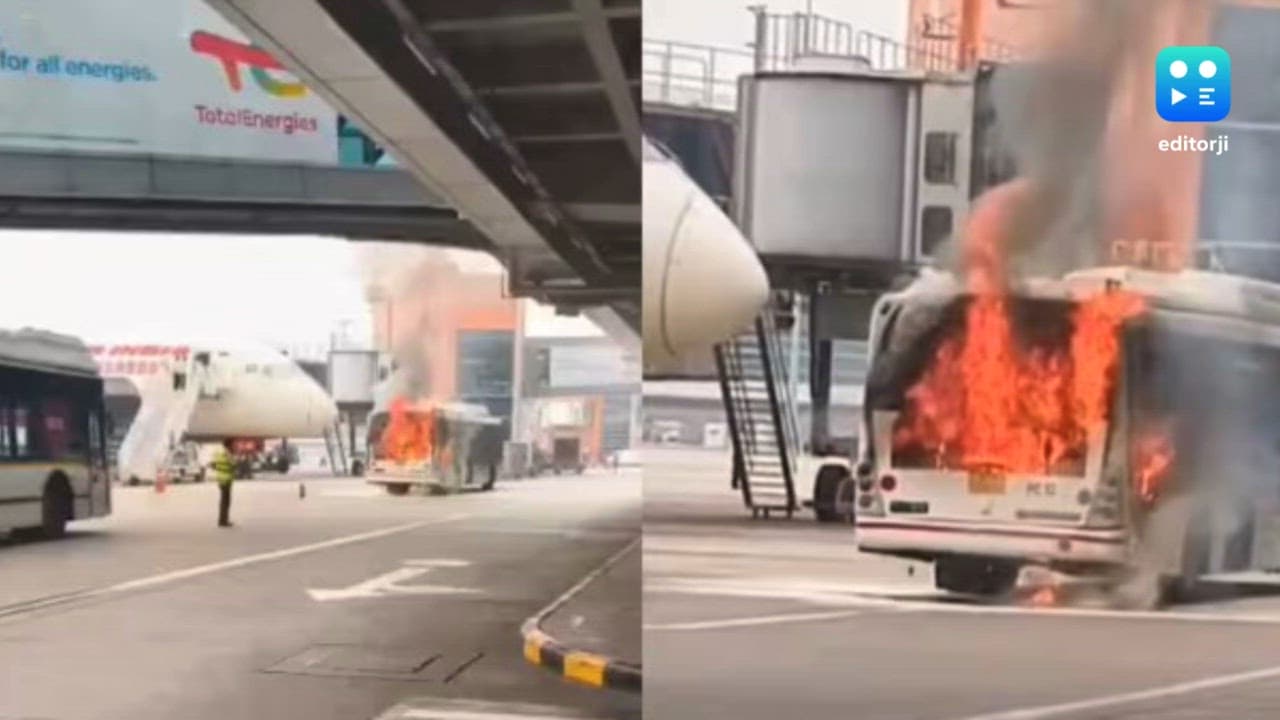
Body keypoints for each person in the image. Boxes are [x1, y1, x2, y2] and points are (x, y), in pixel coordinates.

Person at [212, 441, 236, 527]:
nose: (234, 447)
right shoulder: (227, 453)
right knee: (226, 501)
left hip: (220, 479)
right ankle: (224, 521)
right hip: (227, 479)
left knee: (223, 501)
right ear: (229, 445)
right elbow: (233, 464)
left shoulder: (217, 453)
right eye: (233, 445)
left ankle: (222, 520)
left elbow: (213, 465)